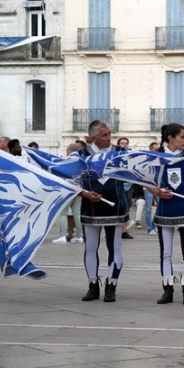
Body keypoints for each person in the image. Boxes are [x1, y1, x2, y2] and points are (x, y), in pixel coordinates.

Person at [150, 124, 184, 306]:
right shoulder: (156, 158)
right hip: (165, 211)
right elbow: (146, 181)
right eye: (182, 137)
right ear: (170, 138)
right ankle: (167, 290)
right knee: (166, 253)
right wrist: (157, 193)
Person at [75, 120, 129, 303]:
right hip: (90, 207)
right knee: (90, 247)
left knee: (114, 248)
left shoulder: (121, 153)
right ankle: (92, 285)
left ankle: (111, 285)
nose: (109, 137)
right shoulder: (81, 155)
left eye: (109, 133)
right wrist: (85, 194)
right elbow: (70, 182)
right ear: (93, 137)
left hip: (116, 207)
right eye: (104, 135)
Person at [53, 143, 84, 244]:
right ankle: (80, 236)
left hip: (68, 189)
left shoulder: (67, 160)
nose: (66, 151)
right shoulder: (81, 160)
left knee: (63, 213)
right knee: (78, 213)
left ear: (70, 149)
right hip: (79, 189)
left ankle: (62, 236)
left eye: (67, 149)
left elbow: (60, 174)